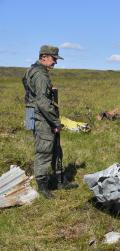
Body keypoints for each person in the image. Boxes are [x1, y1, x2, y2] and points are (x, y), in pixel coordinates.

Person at [22, 45, 77, 199]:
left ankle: (59, 181)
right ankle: (43, 186)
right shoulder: (40, 75)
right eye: (54, 59)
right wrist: (55, 122)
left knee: (54, 148)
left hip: (32, 113)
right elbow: (43, 102)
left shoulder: (31, 70)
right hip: (41, 116)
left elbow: (30, 95)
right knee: (44, 150)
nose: (55, 63)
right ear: (44, 56)